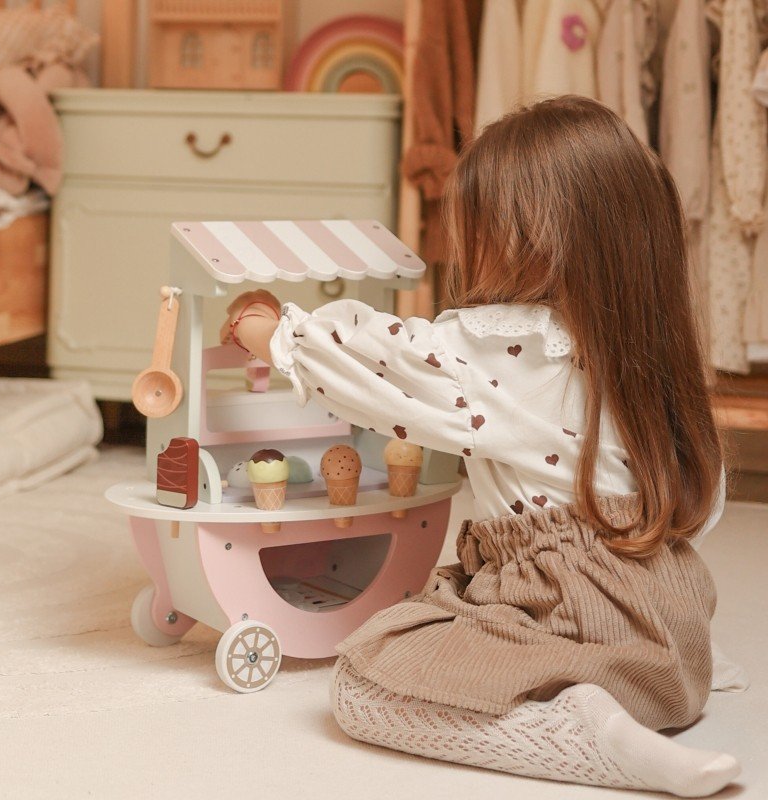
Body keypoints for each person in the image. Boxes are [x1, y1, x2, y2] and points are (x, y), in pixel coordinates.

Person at [221, 96, 739, 798]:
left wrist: (260, 325)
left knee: (364, 685)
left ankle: (581, 732)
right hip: (668, 640)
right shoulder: (645, 349)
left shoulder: (501, 348)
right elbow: (701, 506)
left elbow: (371, 366)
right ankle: (638, 690)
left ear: (527, 239)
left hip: (569, 623)